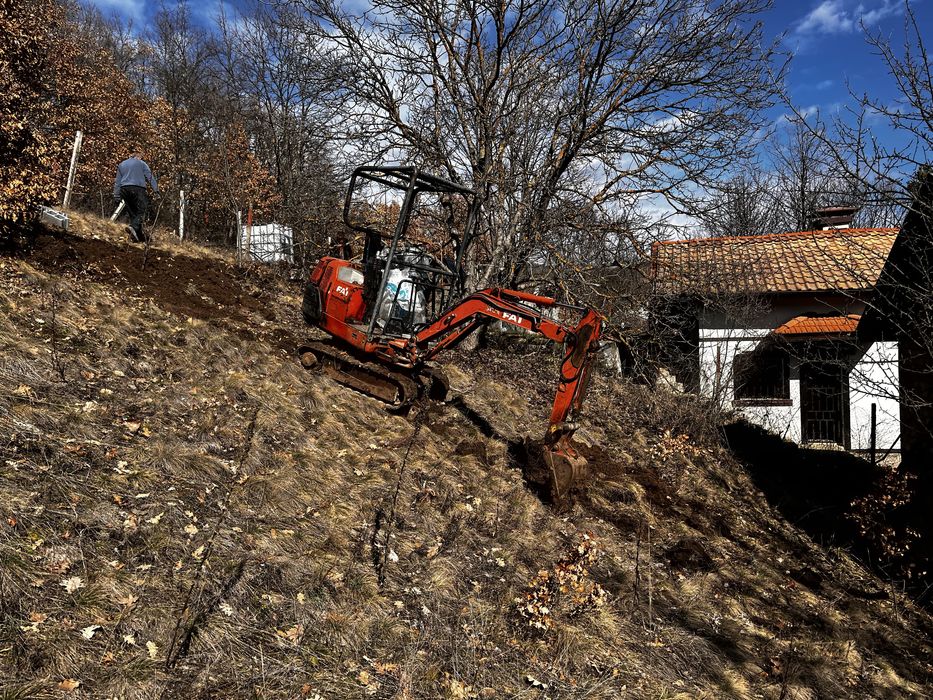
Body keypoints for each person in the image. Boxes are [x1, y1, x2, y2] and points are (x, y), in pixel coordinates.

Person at [113, 150, 158, 243]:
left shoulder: (122, 164)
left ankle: (137, 237)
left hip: (124, 189)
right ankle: (133, 227)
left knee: (133, 213)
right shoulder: (142, 164)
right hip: (138, 188)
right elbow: (150, 177)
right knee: (143, 210)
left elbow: (117, 182)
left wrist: (116, 196)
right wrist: (156, 190)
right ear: (139, 157)